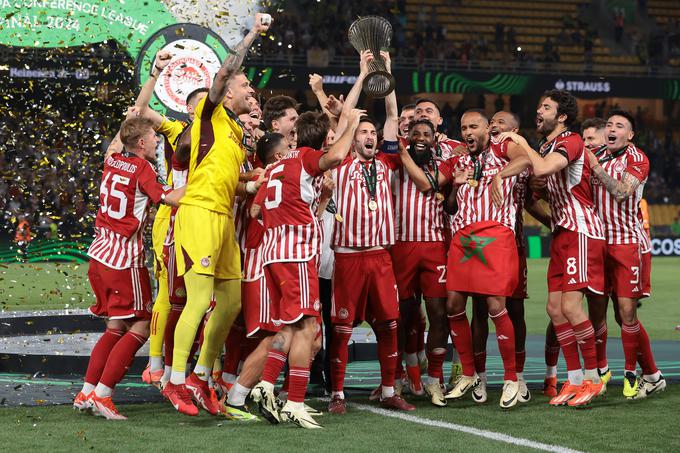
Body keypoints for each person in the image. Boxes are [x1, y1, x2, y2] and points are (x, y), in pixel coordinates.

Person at [161, 12, 271, 417]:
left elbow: (226, 178)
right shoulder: (211, 114)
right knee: (201, 298)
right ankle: (174, 382)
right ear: (226, 93)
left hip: (223, 216)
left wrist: (250, 183)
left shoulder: (237, 134)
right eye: (244, 86)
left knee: (231, 302)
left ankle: (201, 376)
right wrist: (252, 35)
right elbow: (227, 69)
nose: (249, 90)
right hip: (199, 214)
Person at [400, 109, 529, 409]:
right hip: (462, 236)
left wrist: (500, 174)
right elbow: (429, 183)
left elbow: (524, 160)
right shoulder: (457, 158)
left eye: (474, 126)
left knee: (496, 305)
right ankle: (468, 373)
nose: (469, 132)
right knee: (454, 305)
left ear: (486, 129)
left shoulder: (502, 147)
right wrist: (405, 156)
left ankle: (511, 378)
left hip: (496, 233)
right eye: (464, 127)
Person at [251, 107, 365, 429]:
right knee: (308, 328)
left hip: (272, 254)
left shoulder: (275, 167)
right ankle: (296, 401)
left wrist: (301, 210)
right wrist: (352, 121)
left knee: (287, 327)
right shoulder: (304, 159)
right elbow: (338, 155)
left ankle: (266, 384)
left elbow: (256, 211)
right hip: (296, 255)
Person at [493, 89, 606, 407]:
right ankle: (572, 380)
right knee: (554, 310)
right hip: (563, 232)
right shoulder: (548, 146)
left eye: (546, 107)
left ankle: (593, 379)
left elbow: (541, 169)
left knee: (571, 307)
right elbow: (538, 191)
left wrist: (522, 144)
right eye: (539, 105)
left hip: (581, 231)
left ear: (562, 117)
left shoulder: (570, 141)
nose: (538, 111)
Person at [72, 116, 185, 419]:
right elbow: (169, 198)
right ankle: (104, 394)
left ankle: (86, 391)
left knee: (114, 327)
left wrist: (128, 118)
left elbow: (114, 145)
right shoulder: (142, 169)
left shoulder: (112, 161)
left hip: (98, 255)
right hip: (124, 261)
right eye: (152, 137)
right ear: (140, 143)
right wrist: (207, 183)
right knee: (142, 325)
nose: (157, 140)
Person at [327, 51, 416, 415]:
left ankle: (389, 389)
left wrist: (388, 73)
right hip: (348, 257)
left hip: (380, 256)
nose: (369, 135)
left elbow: (393, 115)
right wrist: (364, 75)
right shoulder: (343, 161)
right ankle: (338, 395)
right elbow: (347, 115)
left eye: (372, 133)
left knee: (389, 323)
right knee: (343, 327)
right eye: (363, 132)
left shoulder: (387, 163)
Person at [470, 111, 551, 404]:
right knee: (479, 309)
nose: (494, 124)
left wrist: (551, 223)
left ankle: (517, 375)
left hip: (511, 245)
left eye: (501, 121)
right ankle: (480, 377)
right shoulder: (477, 151)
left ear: (514, 130)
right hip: (479, 244)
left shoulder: (520, 158)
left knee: (515, 311)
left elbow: (531, 199)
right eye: (491, 120)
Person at [587, 110, 665, 399]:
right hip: (596, 243)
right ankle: (605, 372)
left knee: (626, 314)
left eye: (619, 126)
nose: (612, 129)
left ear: (630, 135)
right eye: (609, 124)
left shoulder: (637, 158)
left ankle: (634, 375)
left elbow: (621, 192)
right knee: (597, 313)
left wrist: (595, 168)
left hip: (627, 243)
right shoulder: (595, 153)